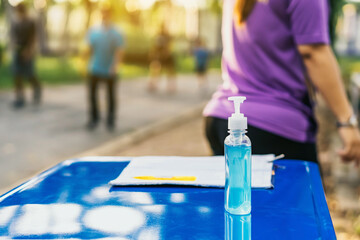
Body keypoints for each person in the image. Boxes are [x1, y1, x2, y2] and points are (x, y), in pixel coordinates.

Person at [203, 0, 360, 166]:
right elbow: (313, 52)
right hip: (273, 128)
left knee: (234, 191)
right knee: (305, 192)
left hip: (221, 117)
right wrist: (347, 121)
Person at [85, 6, 124, 131]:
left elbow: (119, 51)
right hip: (95, 67)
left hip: (109, 69)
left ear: (110, 15)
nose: (104, 16)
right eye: (102, 14)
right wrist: (86, 64)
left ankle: (110, 120)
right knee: (92, 95)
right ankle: (94, 119)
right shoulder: (94, 31)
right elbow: (89, 49)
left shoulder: (116, 32)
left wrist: (115, 66)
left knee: (110, 96)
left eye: (106, 14)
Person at [10, 3, 41, 109]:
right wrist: (14, 46)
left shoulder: (30, 22)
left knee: (30, 74)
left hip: (28, 51)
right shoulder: (15, 22)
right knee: (17, 74)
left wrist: (28, 51)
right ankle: (20, 98)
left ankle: (37, 89)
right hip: (18, 50)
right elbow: (13, 36)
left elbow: (32, 38)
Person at [148, 25, 176, 94]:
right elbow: (155, 47)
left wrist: (166, 53)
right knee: (155, 69)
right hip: (160, 56)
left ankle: (170, 86)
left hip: (165, 56)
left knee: (169, 71)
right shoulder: (160, 37)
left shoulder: (166, 37)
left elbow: (168, 47)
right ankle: (153, 84)